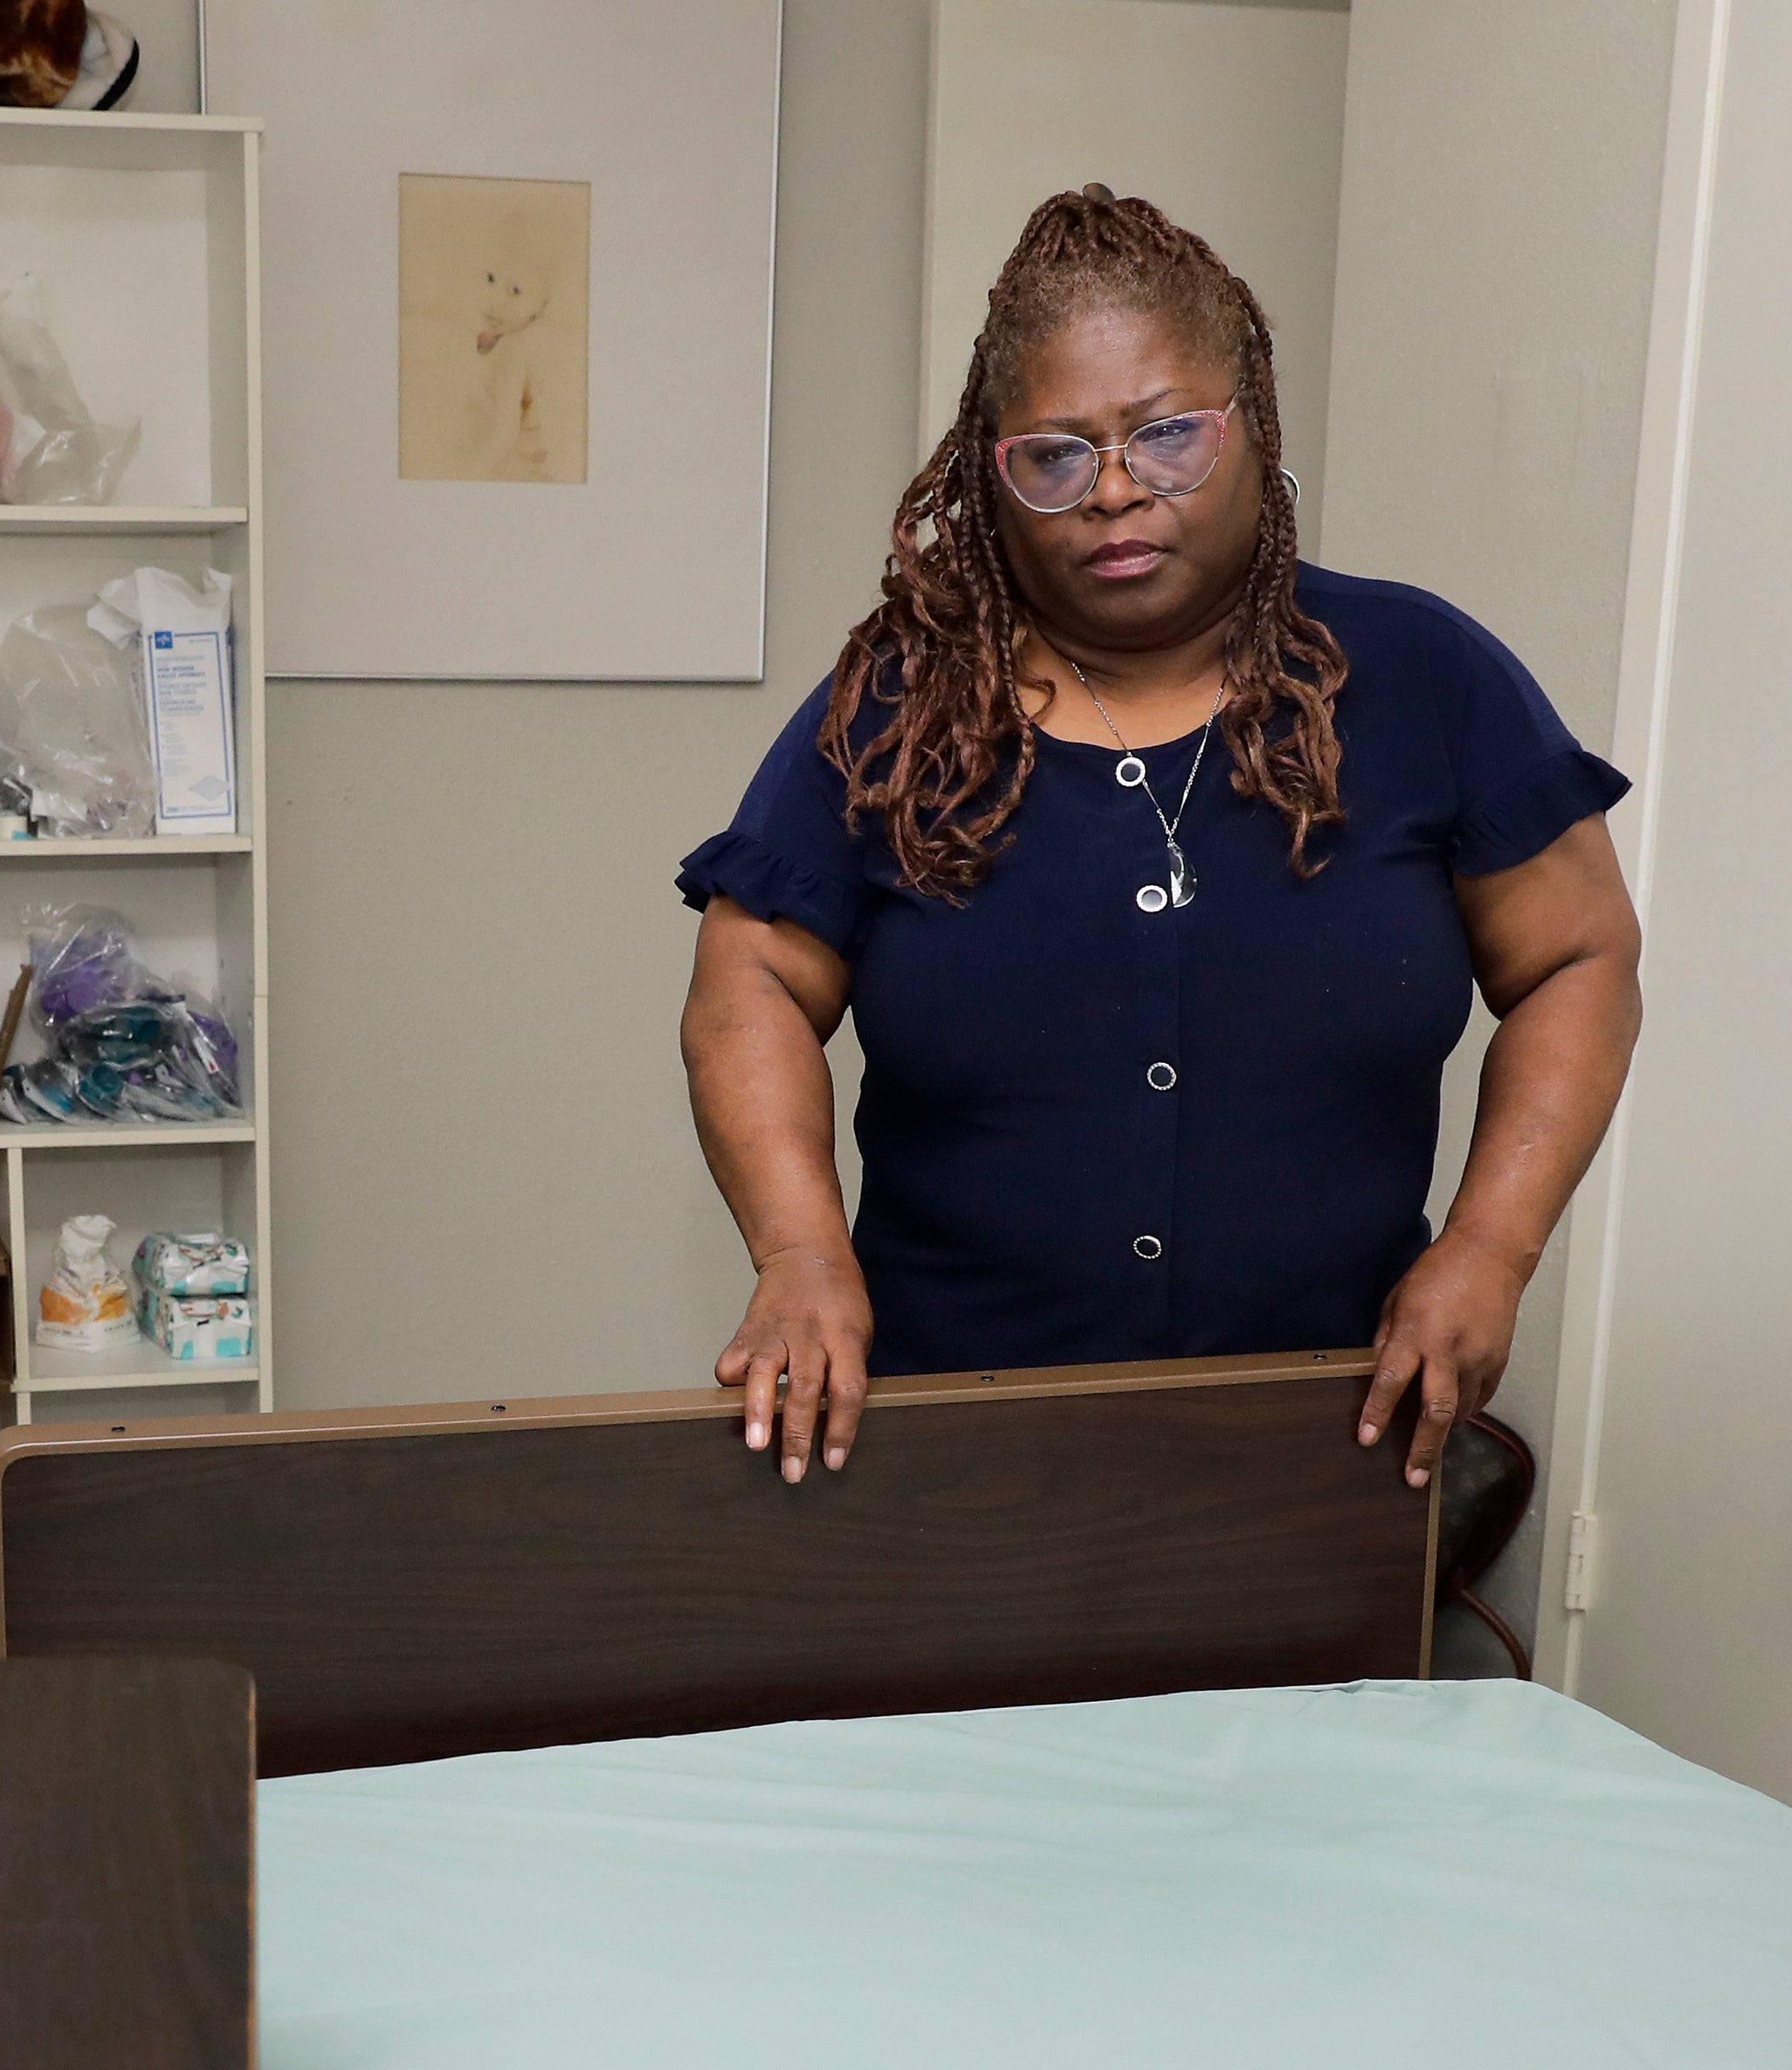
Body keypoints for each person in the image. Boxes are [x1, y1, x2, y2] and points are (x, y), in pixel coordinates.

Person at [677, 187, 1641, 1489]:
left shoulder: (1422, 677)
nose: (1118, 490)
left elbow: (1576, 961)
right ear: (992, 472)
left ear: (1253, 430)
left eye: (1168, 436)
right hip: (942, 1445)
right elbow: (752, 983)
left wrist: (1491, 1250)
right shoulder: (903, 707)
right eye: (1057, 456)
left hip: (1330, 1435)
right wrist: (800, 1254)